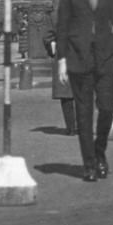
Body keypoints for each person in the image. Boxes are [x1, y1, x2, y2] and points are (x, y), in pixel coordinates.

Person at [54, 0, 113, 182]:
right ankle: (88, 164)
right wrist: (62, 61)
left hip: (105, 58)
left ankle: (99, 152)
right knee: (83, 114)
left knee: (107, 108)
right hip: (78, 59)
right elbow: (62, 28)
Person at [43, 7, 77, 136]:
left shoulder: (54, 15)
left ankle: (71, 127)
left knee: (66, 93)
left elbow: (47, 37)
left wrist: (52, 50)